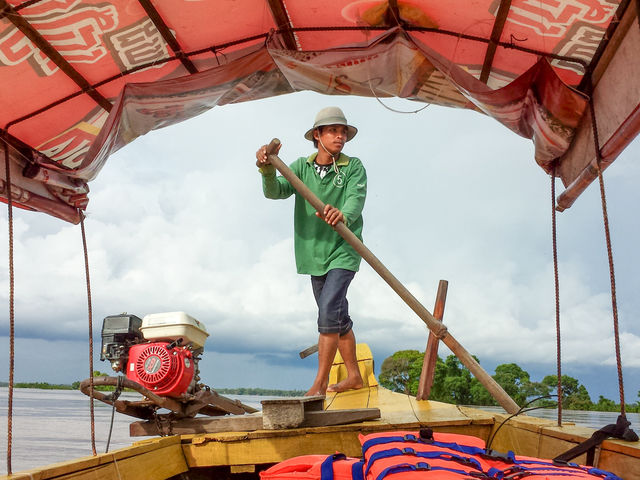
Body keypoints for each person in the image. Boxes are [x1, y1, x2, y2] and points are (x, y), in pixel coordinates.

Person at [255, 107, 367, 396]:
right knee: (336, 316)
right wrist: (267, 168)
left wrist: (343, 214)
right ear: (317, 135)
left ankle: (319, 382)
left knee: (329, 309)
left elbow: (355, 200)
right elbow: (275, 191)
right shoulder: (301, 169)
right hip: (313, 254)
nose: (339, 136)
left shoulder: (353, 167)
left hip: (344, 248)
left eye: (343, 132)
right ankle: (354, 376)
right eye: (332, 131)